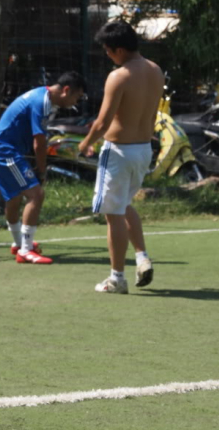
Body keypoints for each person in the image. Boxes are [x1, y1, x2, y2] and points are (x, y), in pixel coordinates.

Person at [78, 21, 164, 294]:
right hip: (143, 150)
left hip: (118, 151)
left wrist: (85, 143)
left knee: (112, 213)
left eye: (107, 51)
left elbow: (103, 122)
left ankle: (117, 278)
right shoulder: (155, 70)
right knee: (124, 205)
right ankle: (142, 257)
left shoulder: (119, 76)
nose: (107, 55)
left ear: (118, 49)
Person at [0, 72, 86, 264]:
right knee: (36, 195)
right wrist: (42, 171)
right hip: (6, 152)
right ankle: (25, 250)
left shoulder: (41, 95)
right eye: (77, 97)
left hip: (1, 150)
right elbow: (39, 143)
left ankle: (19, 244)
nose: (76, 102)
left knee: (14, 197)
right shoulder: (41, 102)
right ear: (66, 91)